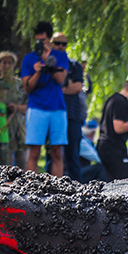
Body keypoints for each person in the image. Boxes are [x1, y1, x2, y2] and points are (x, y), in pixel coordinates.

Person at [21, 21, 68, 176]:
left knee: (57, 152)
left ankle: (58, 191)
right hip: (36, 108)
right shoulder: (28, 59)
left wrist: (48, 61)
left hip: (57, 108)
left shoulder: (60, 56)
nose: (40, 44)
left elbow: (60, 79)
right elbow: (28, 87)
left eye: (43, 40)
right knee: (34, 152)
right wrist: (38, 72)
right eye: (37, 41)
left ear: (50, 40)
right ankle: (29, 187)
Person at [52, 32, 85, 181]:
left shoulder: (74, 65)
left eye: (63, 44)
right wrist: (65, 86)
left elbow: (78, 87)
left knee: (73, 156)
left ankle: (78, 190)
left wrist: (59, 87)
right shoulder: (46, 64)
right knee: (52, 154)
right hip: (53, 113)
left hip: (72, 115)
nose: (60, 46)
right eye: (57, 43)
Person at [0, 51, 28, 167]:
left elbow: (29, 106)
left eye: (10, 63)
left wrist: (16, 108)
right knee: (6, 163)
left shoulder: (21, 85)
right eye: (4, 62)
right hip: (2, 128)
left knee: (23, 161)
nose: (7, 65)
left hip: (20, 126)